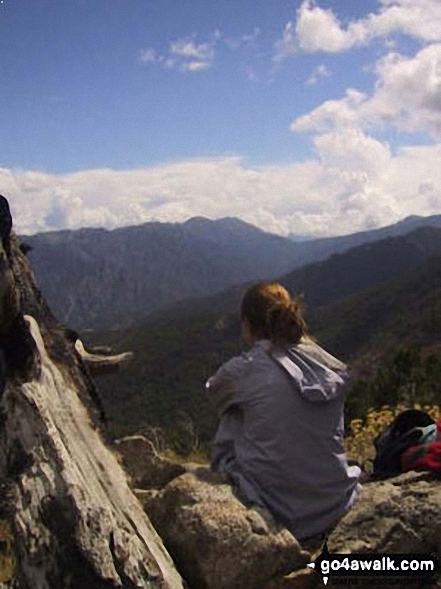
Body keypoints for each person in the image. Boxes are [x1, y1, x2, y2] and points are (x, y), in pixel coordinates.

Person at [205, 281, 362, 541]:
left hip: (280, 507)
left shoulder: (247, 368)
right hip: (334, 500)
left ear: (247, 323)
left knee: (234, 411)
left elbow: (213, 391)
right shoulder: (322, 361)